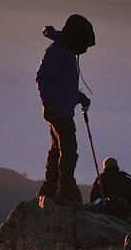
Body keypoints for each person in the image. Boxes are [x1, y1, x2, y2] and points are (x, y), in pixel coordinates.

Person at [35, 14, 96, 205]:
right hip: (58, 110)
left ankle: (50, 188)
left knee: (57, 149)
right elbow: (43, 77)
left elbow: (62, 85)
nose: (84, 49)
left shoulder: (64, 51)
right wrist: (49, 103)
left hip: (60, 108)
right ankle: (64, 189)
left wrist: (78, 97)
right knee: (69, 149)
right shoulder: (59, 52)